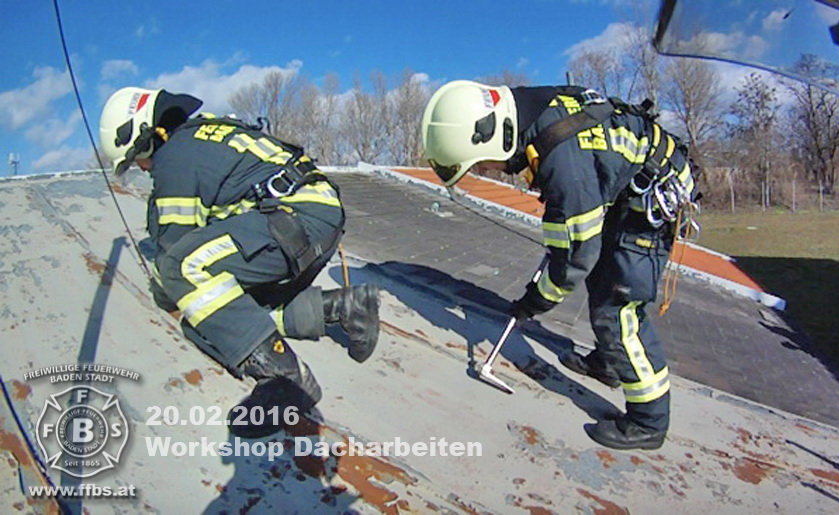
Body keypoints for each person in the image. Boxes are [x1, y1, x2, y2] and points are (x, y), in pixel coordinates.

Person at [422, 80, 698, 450]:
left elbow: (572, 258)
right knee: (603, 278)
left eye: (481, 164)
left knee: (617, 305)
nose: (489, 171)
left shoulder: (562, 161)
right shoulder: (528, 110)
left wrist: (535, 302)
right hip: (626, 185)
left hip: (653, 197)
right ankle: (611, 364)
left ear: (493, 140)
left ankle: (649, 420)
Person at [99, 87, 381, 438]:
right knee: (223, 310)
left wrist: (167, 293)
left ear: (147, 136)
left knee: (182, 273)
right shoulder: (202, 138)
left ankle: (286, 379)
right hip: (313, 218)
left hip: (296, 220)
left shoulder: (175, 159)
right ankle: (343, 308)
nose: (142, 168)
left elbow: (175, 253)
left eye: (136, 157)